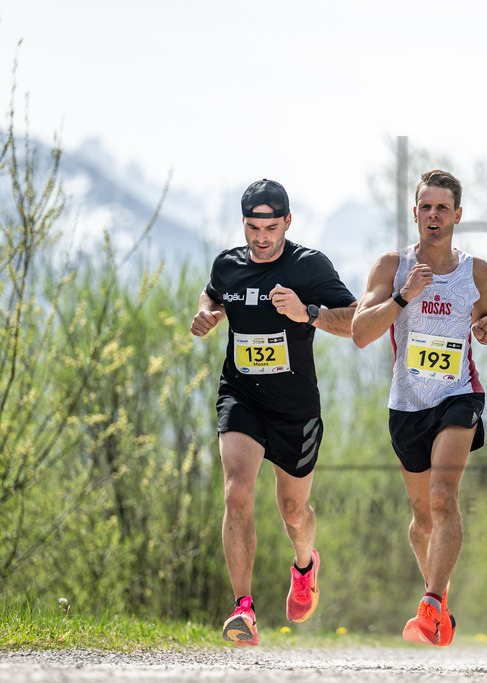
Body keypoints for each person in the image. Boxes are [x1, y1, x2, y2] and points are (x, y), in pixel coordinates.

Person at [191, 178, 357, 646]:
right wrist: (208, 312)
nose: (261, 237)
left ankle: (305, 565)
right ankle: (243, 609)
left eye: (270, 227)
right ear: (242, 224)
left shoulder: (309, 266)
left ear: (287, 222)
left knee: (292, 509)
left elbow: (356, 319)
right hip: (241, 395)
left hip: (295, 408)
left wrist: (308, 312)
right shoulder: (228, 264)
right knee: (237, 493)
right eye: (251, 227)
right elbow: (213, 293)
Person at [352, 169, 487, 646]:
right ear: (414, 214)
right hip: (408, 405)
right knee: (421, 521)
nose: (433, 215)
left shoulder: (474, 271)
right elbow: (360, 333)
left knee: (443, 497)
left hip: (458, 395)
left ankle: (431, 604)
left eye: (443, 208)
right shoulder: (391, 267)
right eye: (425, 207)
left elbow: (483, 317)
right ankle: (440, 597)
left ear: (458, 215)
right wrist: (402, 296)